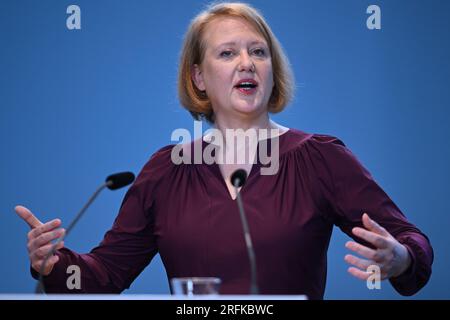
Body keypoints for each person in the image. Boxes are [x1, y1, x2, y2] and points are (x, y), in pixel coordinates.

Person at [15, 2, 433, 300]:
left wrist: (399, 258)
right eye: (228, 53)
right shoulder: (167, 171)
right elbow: (106, 275)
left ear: (272, 70)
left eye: (258, 52)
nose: (246, 63)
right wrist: (54, 264)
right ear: (198, 77)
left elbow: (411, 240)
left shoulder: (320, 158)